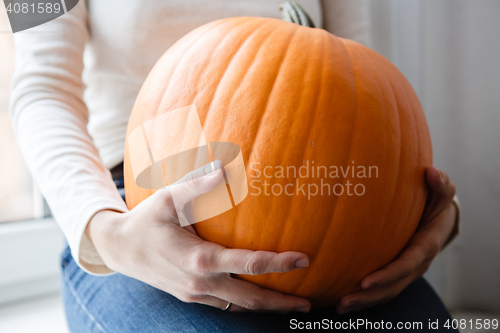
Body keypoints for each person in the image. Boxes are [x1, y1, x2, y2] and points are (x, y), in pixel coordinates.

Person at [9, 0, 460, 331]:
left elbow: (362, 83)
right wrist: (108, 234)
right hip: (139, 206)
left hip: (324, 203)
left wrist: (418, 206)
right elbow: (39, 89)